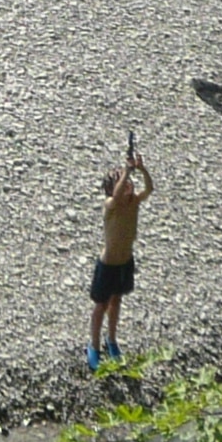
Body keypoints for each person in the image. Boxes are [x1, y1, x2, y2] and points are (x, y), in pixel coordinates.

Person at [89, 143, 153, 369]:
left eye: (128, 181)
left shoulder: (133, 202)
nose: (128, 184)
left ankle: (112, 340)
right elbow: (116, 197)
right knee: (101, 305)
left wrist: (142, 169)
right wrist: (126, 170)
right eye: (122, 182)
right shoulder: (111, 205)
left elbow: (149, 189)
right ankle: (94, 346)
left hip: (125, 262)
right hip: (108, 264)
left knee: (116, 301)